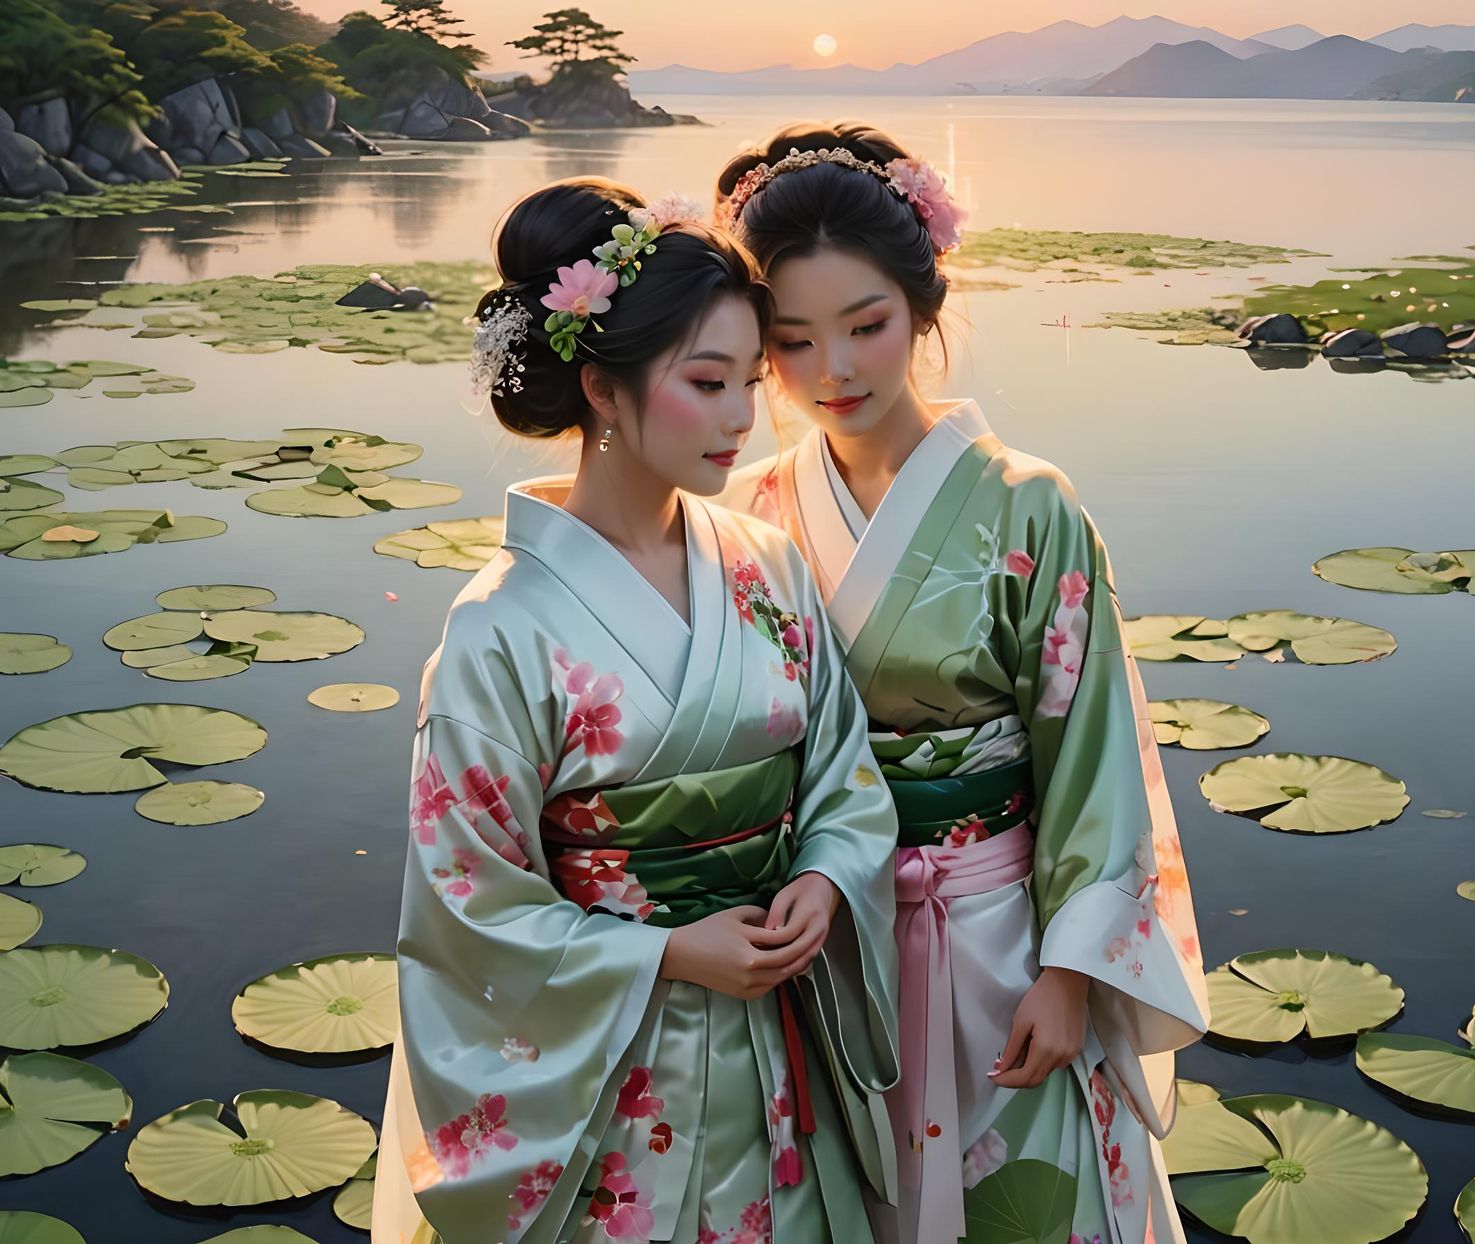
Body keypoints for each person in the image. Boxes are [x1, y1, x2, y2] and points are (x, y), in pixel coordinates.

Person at [371, 177, 899, 1244]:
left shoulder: (767, 565)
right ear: (601, 390)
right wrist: (664, 952)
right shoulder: (498, 630)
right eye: (706, 382)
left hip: (781, 1040)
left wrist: (824, 875)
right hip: (617, 1080)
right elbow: (468, 906)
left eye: (750, 381)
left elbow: (840, 768)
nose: (743, 417)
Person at [715, 125, 1210, 1244]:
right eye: (791, 341)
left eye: (866, 326)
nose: (833, 371)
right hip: (822, 946)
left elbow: (1088, 754)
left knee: (1025, 1201)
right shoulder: (747, 513)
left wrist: (1072, 969)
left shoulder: (1030, 505)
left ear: (924, 307)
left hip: (1000, 939)